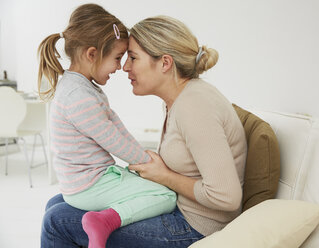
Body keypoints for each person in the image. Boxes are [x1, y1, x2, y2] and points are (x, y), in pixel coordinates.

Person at [41, 15, 247, 248]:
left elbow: (226, 197)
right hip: (181, 210)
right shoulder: (181, 100)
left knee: (56, 221)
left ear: (165, 63)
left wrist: (166, 177)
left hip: (195, 226)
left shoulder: (195, 106)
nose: (125, 67)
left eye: (133, 57)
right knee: (57, 203)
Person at [37, 5, 176, 248]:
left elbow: (116, 127)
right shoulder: (78, 96)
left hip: (86, 180)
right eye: (116, 58)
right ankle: (105, 221)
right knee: (165, 195)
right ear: (92, 54)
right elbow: (111, 139)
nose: (119, 67)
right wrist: (146, 163)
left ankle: (104, 218)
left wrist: (144, 160)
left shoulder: (82, 87)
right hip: (89, 184)